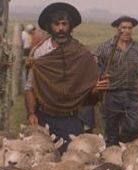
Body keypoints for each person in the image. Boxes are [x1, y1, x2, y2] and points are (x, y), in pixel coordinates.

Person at [24, 2, 107, 153]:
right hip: (43, 117)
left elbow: (89, 93)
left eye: (64, 24)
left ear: (70, 26)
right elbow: (29, 87)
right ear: (50, 27)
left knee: (72, 162)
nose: (61, 28)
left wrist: (97, 89)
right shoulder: (39, 53)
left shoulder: (81, 54)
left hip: (71, 119)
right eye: (56, 24)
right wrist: (31, 113)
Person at [95, 15, 138, 146]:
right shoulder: (106, 47)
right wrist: (97, 82)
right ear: (117, 29)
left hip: (131, 94)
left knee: (133, 128)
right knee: (111, 131)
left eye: (129, 28)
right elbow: (94, 66)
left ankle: (125, 147)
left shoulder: (137, 48)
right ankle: (112, 157)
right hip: (111, 94)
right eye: (123, 28)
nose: (126, 31)